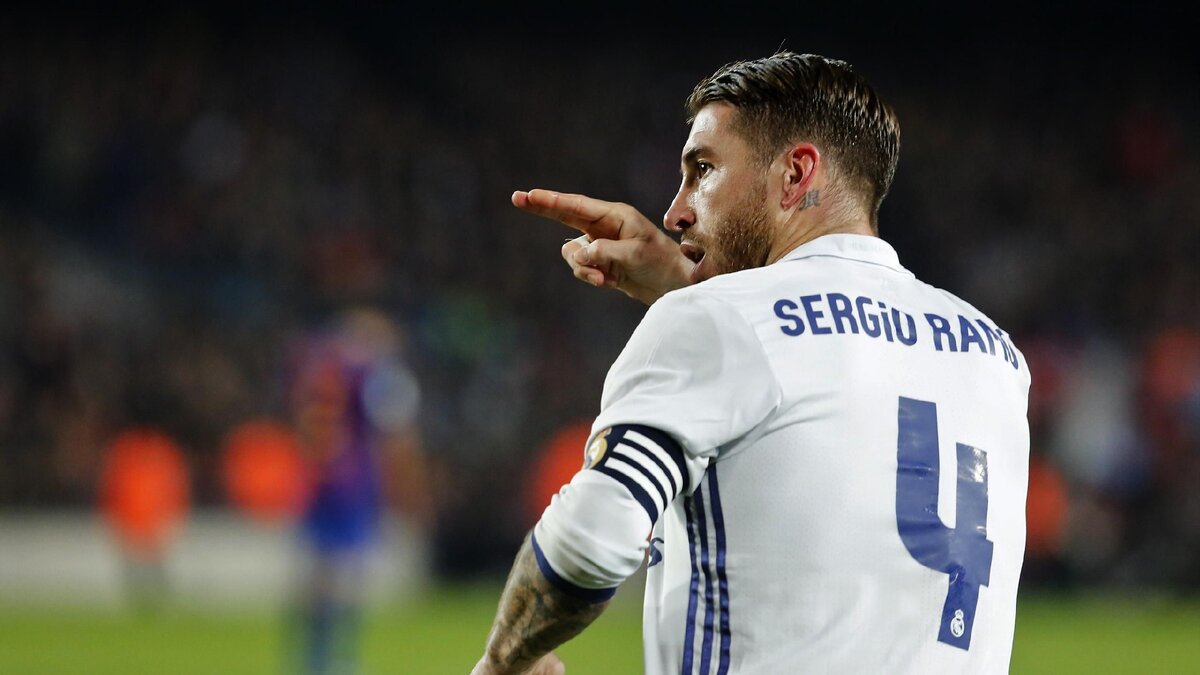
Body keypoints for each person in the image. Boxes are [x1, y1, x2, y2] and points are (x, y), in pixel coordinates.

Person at [473, 52, 1030, 674]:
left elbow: (590, 541)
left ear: (795, 173)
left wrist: (503, 662)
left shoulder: (718, 321)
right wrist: (695, 292)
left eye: (703, 170)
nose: (675, 212)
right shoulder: (997, 356)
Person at [288, 308, 431, 675]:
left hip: (318, 479)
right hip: (352, 484)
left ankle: (311, 658)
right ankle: (337, 658)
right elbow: (395, 432)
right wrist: (408, 488)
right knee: (345, 573)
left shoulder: (320, 367)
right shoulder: (377, 375)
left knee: (319, 573)